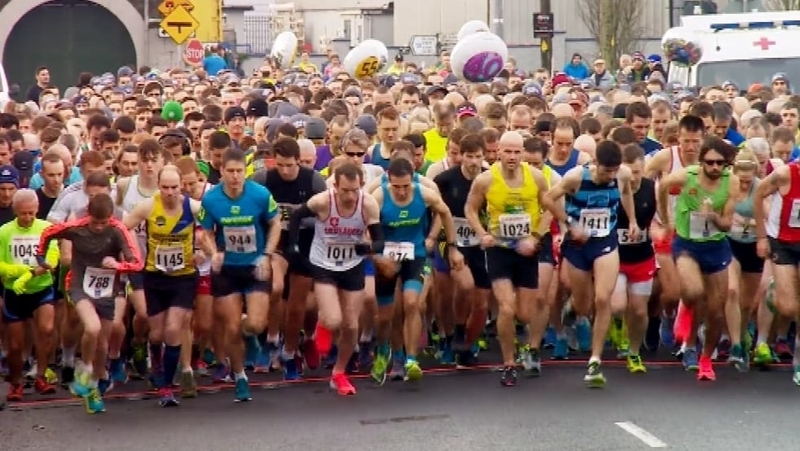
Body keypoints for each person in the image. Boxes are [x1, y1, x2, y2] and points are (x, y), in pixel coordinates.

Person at [35, 193, 143, 414]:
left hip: (107, 290)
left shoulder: (117, 229)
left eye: (104, 222)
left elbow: (137, 262)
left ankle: (93, 385)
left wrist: (118, 265)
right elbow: (47, 233)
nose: (99, 227)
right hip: (80, 285)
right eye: (95, 222)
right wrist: (41, 259)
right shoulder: (77, 228)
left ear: (111, 217)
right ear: (88, 215)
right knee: (92, 327)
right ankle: (84, 370)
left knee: (102, 344)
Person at [465, 131, 558, 386]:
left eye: (517, 152)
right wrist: (482, 234)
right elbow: (470, 208)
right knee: (506, 308)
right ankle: (509, 363)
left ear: (523, 153)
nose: (512, 157)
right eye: (507, 151)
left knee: (525, 314)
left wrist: (535, 237)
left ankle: (525, 346)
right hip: (499, 249)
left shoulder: (536, 177)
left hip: (527, 250)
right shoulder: (485, 179)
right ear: (498, 152)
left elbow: (549, 208)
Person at [546, 139, 638, 388]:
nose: (611, 176)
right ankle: (573, 310)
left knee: (603, 298)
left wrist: (632, 220)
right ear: (596, 163)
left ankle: (595, 360)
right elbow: (548, 199)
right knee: (584, 304)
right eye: (607, 171)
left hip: (605, 241)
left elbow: (626, 192)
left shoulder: (622, 174)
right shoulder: (576, 177)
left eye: (614, 170)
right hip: (577, 245)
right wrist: (569, 223)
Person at [286, 162, 383, 395]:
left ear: (361, 185)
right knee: (332, 320)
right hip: (323, 263)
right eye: (345, 190)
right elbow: (296, 216)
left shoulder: (368, 204)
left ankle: (338, 373)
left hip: (352, 265)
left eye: (355, 190)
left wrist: (368, 248)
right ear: (335, 186)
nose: (350, 196)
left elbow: (380, 241)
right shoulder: (323, 201)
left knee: (351, 325)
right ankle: (320, 327)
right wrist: (293, 245)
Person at [197, 148, 281, 402]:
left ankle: (250, 335)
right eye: (230, 171)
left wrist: (267, 254)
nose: (235, 176)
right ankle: (240, 376)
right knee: (232, 327)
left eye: (239, 171)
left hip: (255, 266)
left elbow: (275, 223)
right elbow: (205, 233)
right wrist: (214, 253)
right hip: (227, 269)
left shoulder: (260, 194)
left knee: (255, 324)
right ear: (221, 171)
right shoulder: (211, 199)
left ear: (246, 172)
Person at [371, 157, 462, 384]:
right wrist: (378, 258)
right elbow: (364, 227)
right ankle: (389, 352)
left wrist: (444, 243)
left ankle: (411, 359)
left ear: (413, 180)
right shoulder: (378, 197)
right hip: (387, 258)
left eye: (406, 186)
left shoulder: (424, 194)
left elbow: (445, 213)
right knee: (388, 314)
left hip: (416, 254)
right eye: (396, 187)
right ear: (389, 181)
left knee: (412, 302)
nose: (402, 192)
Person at [122, 166, 208, 407]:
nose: (170, 192)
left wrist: (202, 249)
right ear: (159, 187)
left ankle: (167, 386)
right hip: (155, 277)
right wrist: (132, 254)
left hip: (184, 278)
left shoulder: (193, 207)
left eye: (174, 187)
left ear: (182, 186)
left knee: (172, 329)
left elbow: (213, 225)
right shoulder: (148, 206)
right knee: (157, 334)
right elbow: (123, 228)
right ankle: (157, 364)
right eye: (165, 188)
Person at [659, 136, 739, 381]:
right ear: (702, 161)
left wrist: (712, 216)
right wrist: (666, 220)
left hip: (715, 246)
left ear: (726, 164)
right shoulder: (688, 176)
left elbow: (727, 224)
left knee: (716, 312)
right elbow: (662, 186)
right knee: (693, 291)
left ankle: (704, 357)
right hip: (687, 244)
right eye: (710, 162)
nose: (714, 167)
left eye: (719, 163)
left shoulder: (731, 182)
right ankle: (686, 318)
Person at [251, 137, 327, 379]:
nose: (284, 171)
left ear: (299, 162)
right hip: (278, 242)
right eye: (280, 165)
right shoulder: (263, 179)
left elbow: (326, 215)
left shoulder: (313, 180)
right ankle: (271, 340)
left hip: (305, 243)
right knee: (275, 288)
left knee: (297, 305)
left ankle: (290, 351)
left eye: (290, 166)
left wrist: (301, 218)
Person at [753, 147, 800, 385]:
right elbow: (758, 194)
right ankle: (774, 290)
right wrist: (762, 237)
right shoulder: (785, 174)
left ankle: (798, 362)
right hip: (782, 242)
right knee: (788, 307)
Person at [609, 145, 657, 373]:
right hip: (616, 257)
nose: (632, 178)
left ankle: (634, 352)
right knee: (618, 306)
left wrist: (657, 229)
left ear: (643, 169)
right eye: (628, 173)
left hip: (642, 256)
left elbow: (660, 218)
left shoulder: (651, 189)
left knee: (639, 311)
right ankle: (617, 322)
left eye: (637, 173)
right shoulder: (612, 189)